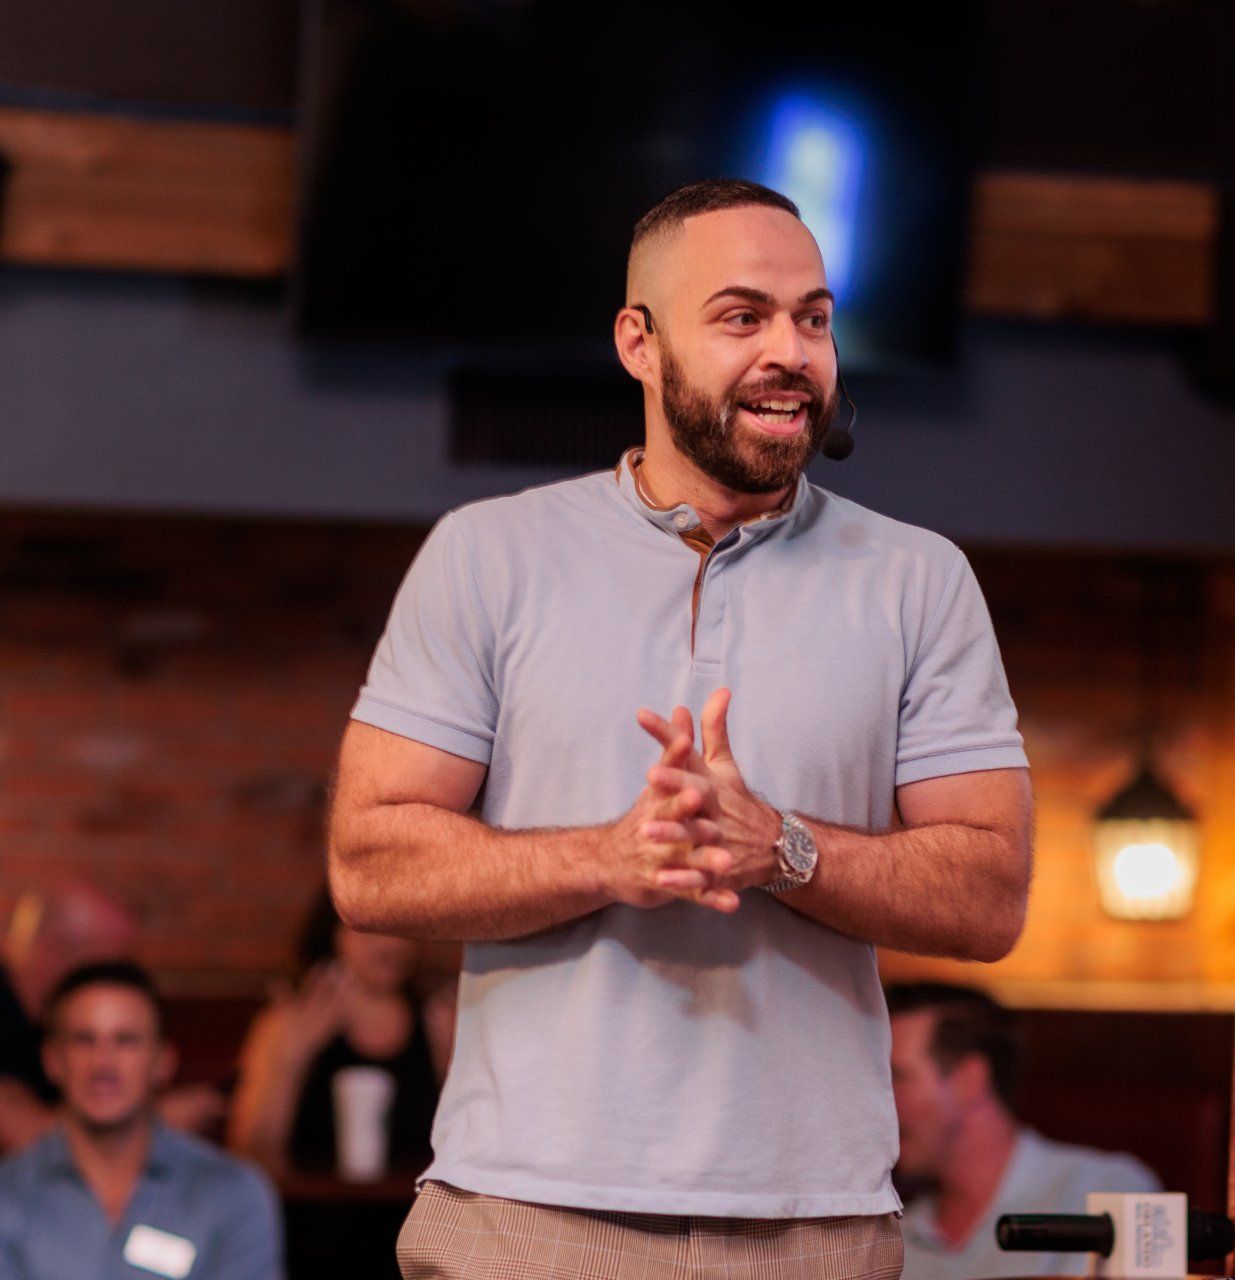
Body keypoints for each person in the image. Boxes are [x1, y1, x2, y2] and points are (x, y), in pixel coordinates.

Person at [327, 178, 1033, 1280]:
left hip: (815, 1225)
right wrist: (609, 857)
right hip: (524, 1213)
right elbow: (368, 863)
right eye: (743, 316)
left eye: (814, 319)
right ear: (639, 344)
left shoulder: (921, 579)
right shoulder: (486, 554)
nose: (791, 352)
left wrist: (781, 847)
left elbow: (991, 894)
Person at [0, 961, 283, 1280]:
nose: (103, 1063)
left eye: (126, 1040)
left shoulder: (232, 1192)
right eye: (83, 1039)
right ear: (52, 1061)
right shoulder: (8, 1192)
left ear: (163, 1061)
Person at [887, 984, 1160, 1280]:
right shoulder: (894, 1236)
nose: (878, 1104)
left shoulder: (1104, 1191)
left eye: (896, 1077)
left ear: (969, 1079)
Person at [227, 891, 449, 1178]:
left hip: (412, 1200)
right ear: (334, 931)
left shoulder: (438, 1022)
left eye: (402, 928)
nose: (390, 943)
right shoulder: (287, 1021)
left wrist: (451, 1066)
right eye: (369, 928)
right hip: (311, 1199)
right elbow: (249, 1152)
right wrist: (290, 1062)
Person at [0, 886, 222, 1153]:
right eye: (110, 970)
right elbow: (27, 1137)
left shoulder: (46, 1018)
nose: (119, 990)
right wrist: (154, 1120)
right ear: (55, 949)